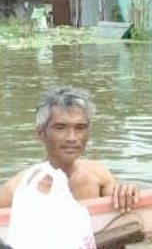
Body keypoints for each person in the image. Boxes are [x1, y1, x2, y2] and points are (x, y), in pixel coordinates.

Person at [0, 86, 140, 212]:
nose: (72, 138)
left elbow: (116, 195)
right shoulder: (17, 189)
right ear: (41, 133)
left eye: (80, 128)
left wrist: (126, 191)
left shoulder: (98, 175)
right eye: (60, 128)